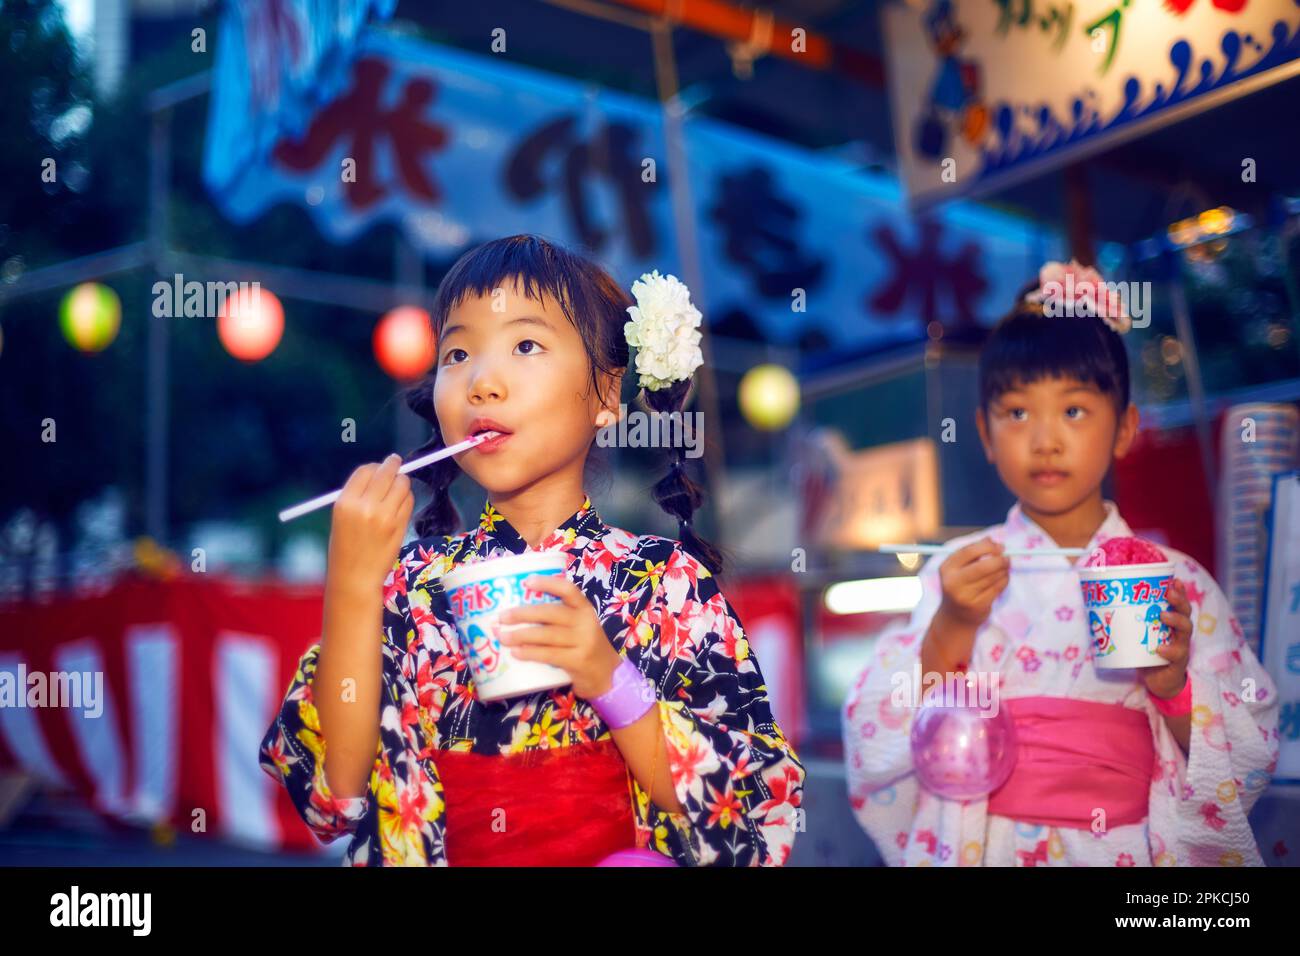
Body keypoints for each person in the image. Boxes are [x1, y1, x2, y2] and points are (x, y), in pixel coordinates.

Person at [260, 234, 804, 865]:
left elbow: (758, 814)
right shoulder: (408, 583)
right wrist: (354, 586)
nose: (482, 382)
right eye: (457, 351)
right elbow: (339, 798)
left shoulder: (664, 585)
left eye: (525, 345)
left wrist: (608, 677)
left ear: (605, 394)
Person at [841, 261, 1279, 866]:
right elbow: (875, 734)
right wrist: (952, 626)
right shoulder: (957, 571)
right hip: (985, 843)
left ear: (1125, 428)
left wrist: (1173, 688)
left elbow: (1251, 751)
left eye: (1073, 411)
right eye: (1017, 413)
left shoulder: (1175, 581)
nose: (1045, 440)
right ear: (985, 433)